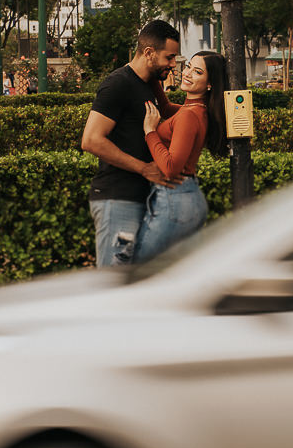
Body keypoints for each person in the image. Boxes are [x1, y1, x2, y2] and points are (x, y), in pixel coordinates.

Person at [81, 20, 181, 267]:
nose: (173, 64)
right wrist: (144, 168)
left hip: (140, 198)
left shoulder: (149, 84)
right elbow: (91, 140)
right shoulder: (118, 84)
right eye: (169, 57)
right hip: (118, 199)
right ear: (149, 52)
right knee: (114, 283)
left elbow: (170, 111)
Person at [116, 51, 229, 264]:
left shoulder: (189, 114)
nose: (187, 73)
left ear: (209, 84)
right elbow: (167, 108)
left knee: (140, 267)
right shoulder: (196, 109)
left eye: (197, 72)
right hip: (185, 197)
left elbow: (170, 168)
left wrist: (150, 131)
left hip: (175, 198)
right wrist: (150, 74)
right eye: (189, 66)